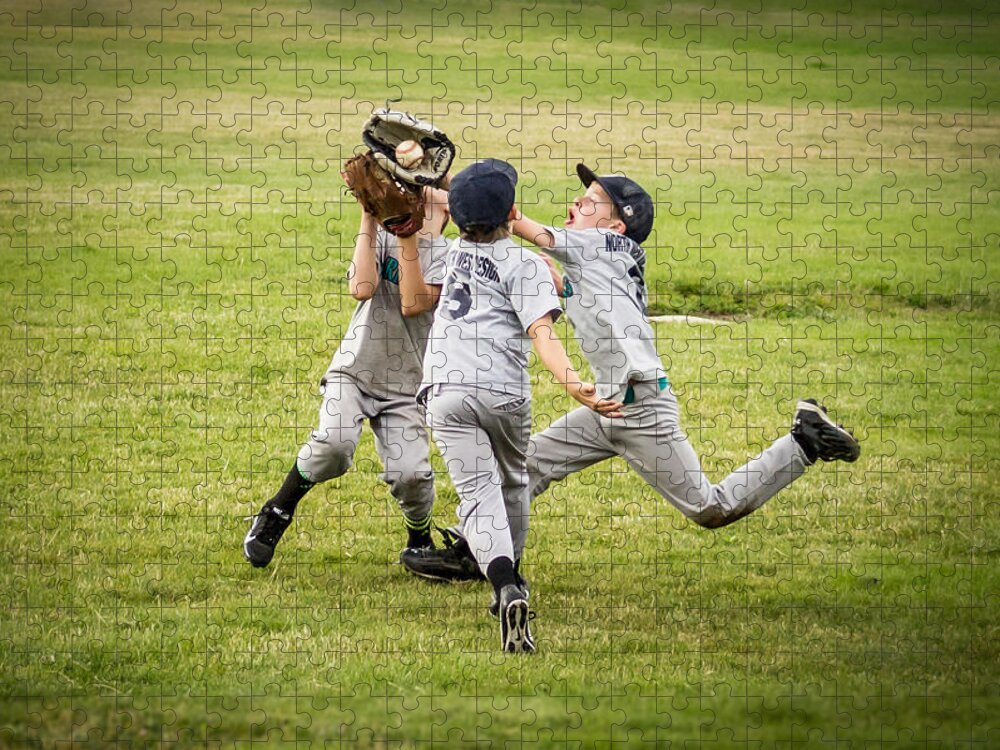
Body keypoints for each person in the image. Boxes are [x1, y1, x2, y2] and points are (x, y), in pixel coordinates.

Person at [513, 163, 861, 530]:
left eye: (591, 201)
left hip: (641, 407)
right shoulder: (607, 253)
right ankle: (477, 549)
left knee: (709, 508)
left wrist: (461, 191)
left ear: (616, 226)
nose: (576, 202)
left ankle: (805, 441)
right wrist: (561, 283)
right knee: (528, 466)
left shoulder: (595, 244)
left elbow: (514, 220)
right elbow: (596, 293)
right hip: (610, 404)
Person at [400, 159, 622, 653]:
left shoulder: (447, 253)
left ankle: (505, 586)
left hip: (446, 389)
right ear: (513, 213)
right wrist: (573, 382)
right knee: (513, 481)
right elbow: (541, 333)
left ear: (457, 222)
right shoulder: (525, 264)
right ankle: (513, 573)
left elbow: (425, 247)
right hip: (502, 391)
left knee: (477, 493)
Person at [243, 184, 451, 568]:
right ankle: (277, 510)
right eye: (415, 197)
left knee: (413, 476)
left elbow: (413, 302)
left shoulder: (448, 258)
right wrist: (369, 215)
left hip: (406, 387)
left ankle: (418, 539)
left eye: (431, 202)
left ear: (448, 217)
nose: (419, 205)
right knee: (334, 446)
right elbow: (360, 288)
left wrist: (407, 236)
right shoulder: (383, 238)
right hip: (354, 371)